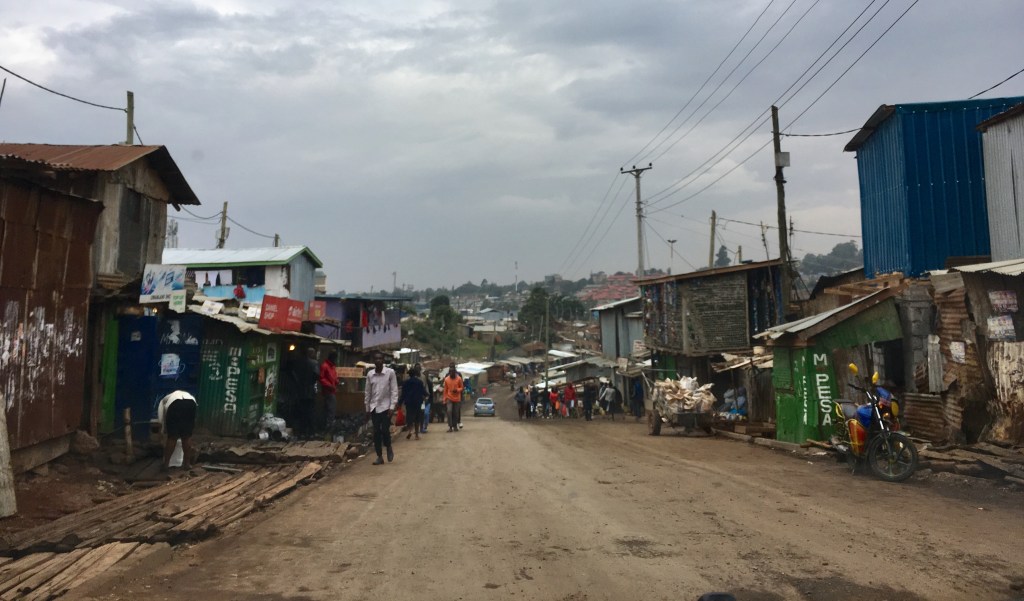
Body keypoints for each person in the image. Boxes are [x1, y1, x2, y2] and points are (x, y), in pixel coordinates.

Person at [365, 352, 398, 464]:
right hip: (374, 407)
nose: (378, 360)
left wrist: (392, 406)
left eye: (380, 358)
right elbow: (367, 392)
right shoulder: (370, 374)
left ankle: (388, 446)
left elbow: (394, 390)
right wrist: (367, 408)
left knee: (384, 430)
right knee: (376, 432)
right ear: (374, 360)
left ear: (383, 360)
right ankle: (379, 456)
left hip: (386, 407)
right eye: (376, 358)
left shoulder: (390, 373)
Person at [158, 390, 198, 471]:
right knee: (186, 436)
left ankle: (166, 465)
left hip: (175, 405)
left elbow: (161, 420)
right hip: (191, 404)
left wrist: (162, 432)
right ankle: (187, 464)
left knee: (172, 437)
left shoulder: (163, 402)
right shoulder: (188, 395)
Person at [295, 348, 319, 438]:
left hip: (300, 391)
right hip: (310, 391)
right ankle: (312, 432)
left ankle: (302, 432)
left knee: (302, 412)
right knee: (311, 412)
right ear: (311, 354)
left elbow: (295, 374)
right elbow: (316, 375)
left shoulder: (299, 362)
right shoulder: (314, 363)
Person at [401, 366, 427, 440]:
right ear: (415, 374)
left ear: (409, 375)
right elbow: (423, 391)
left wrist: (400, 403)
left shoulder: (406, 383)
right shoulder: (419, 382)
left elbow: (403, 394)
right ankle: (416, 435)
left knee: (410, 417)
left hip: (409, 403)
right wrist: (427, 395)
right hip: (418, 402)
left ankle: (410, 431)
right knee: (417, 419)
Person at [319, 351, 339, 432]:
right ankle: (329, 428)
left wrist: (337, 381)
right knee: (331, 409)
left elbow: (334, 377)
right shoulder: (325, 366)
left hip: (332, 390)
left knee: (328, 409)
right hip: (328, 391)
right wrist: (330, 385)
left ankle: (326, 427)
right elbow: (321, 378)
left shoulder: (332, 367)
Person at [442, 363, 464, 433]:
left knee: (456, 412)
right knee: (449, 411)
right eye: (450, 372)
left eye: (452, 372)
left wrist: (457, 390)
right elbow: (445, 390)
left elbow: (462, 388)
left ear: (455, 372)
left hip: (457, 398)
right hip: (449, 398)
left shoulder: (459, 378)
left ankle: (455, 426)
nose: (451, 373)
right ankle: (450, 426)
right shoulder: (446, 379)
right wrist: (444, 399)